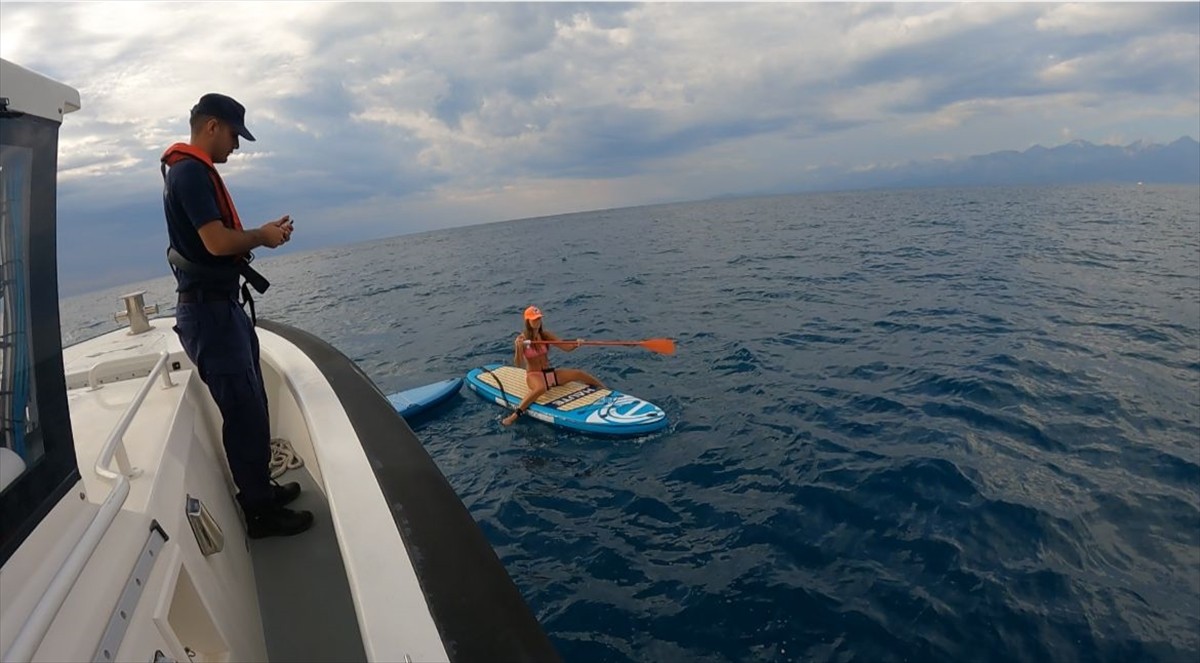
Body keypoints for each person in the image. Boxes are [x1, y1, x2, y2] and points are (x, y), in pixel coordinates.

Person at [160, 93, 313, 539]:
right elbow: (215, 243)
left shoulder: (187, 172)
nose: (237, 146)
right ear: (211, 127)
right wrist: (262, 237)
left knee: (254, 403)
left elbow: (219, 239)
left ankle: (260, 488)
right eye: (233, 135)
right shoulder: (189, 174)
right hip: (209, 315)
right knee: (243, 412)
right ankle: (260, 514)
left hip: (221, 308)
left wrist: (261, 234)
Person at [501, 306, 606, 426]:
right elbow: (518, 363)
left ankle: (605, 390)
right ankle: (515, 415)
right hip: (534, 375)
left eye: (539, 319)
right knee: (541, 388)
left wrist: (577, 344)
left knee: (579, 374)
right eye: (534, 319)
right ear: (528, 321)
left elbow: (565, 347)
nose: (537, 322)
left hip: (548, 374)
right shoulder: (522, 340)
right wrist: (518, 348)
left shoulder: (545, 335)